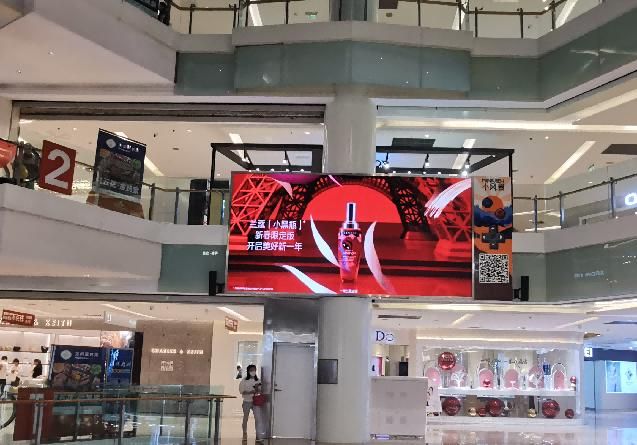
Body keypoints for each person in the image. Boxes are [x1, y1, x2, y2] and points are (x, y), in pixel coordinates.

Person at [239, 364, 263, 442]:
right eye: (251, 370)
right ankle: (244, 433)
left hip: (256, 402)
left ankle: (258, 435)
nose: (253, 371)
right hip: (247, 401)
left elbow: (260, 390)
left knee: (257, 418)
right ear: (248, 371)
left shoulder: (258, 380)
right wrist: (249, 392)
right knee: (245, 418)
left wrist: (257, 389)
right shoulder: (244, 380)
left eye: (254, 370)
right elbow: (241, 391)